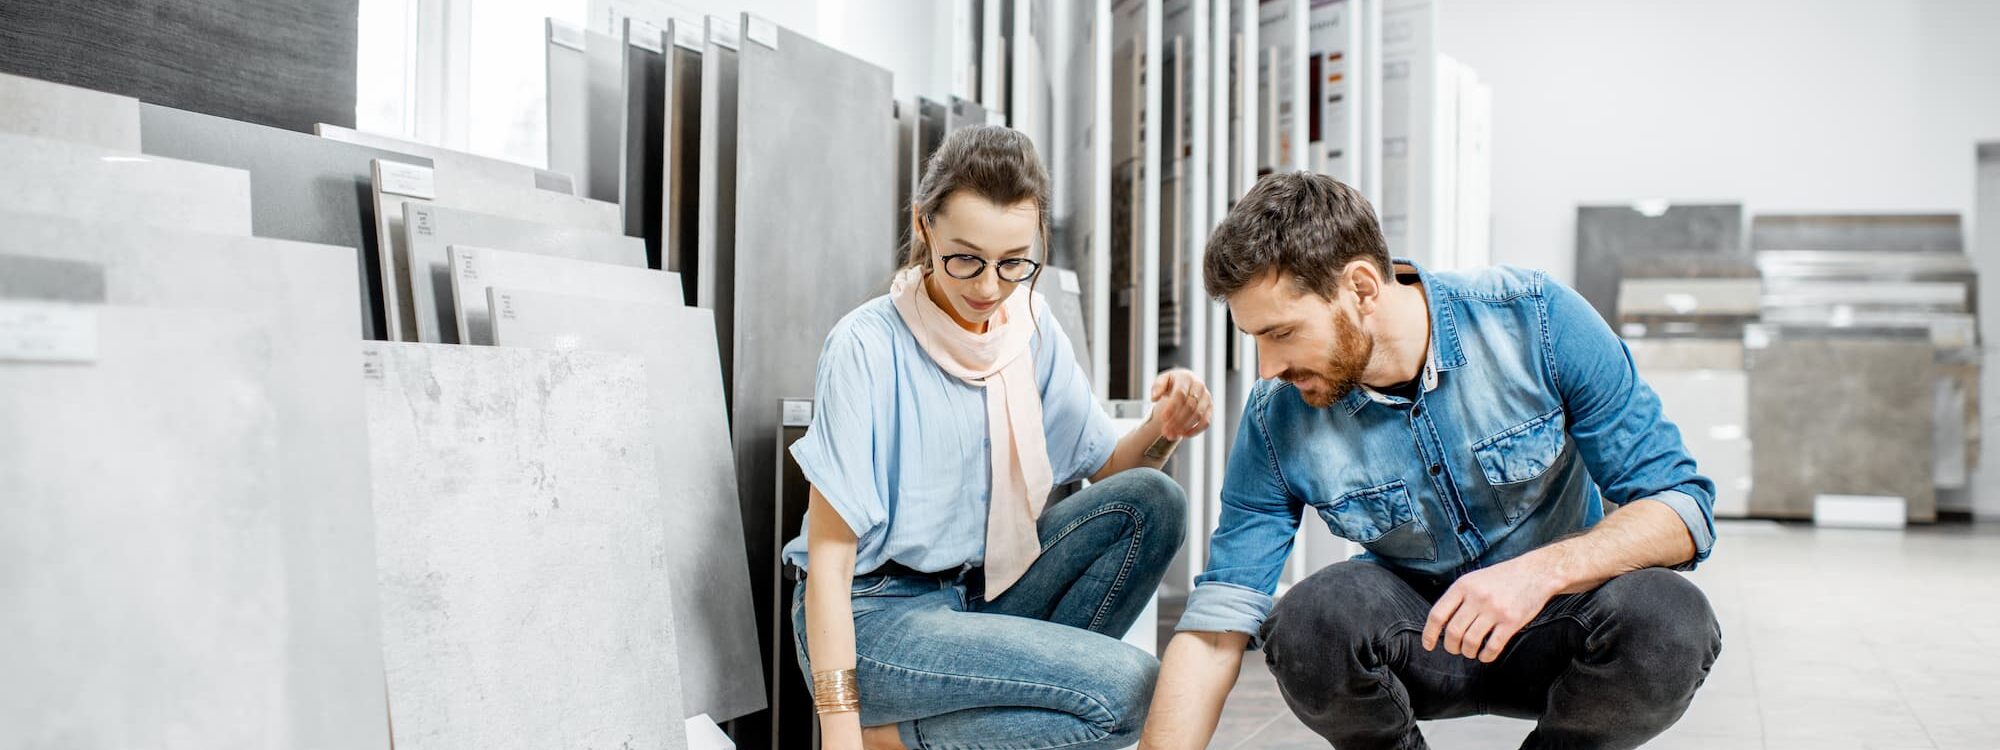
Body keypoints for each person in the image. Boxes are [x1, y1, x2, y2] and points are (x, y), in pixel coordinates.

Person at [1141, 172, 1723, 750]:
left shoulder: (1538, 322)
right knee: (1309, 623)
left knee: (1670, 620)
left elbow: (1681, 508)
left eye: (1283, 333)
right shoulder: (1277, 416)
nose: (1267, 368)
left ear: (1362, 288)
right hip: (1420, 637)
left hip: (1562, 626)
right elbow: (1218, 625)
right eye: (1255, 339)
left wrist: (1536, 574)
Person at [784, 125, 1214, 750]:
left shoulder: (1027, 328)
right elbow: (830, 561)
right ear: (924, 226)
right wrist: (841, 733)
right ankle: (888, 739)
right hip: (874, 618)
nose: (988, 287)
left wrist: (1163, 428)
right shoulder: (865, 345)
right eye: (965, 258)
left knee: (1154, 500)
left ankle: (979, 719)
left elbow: (1109, 471)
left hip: (978, 594)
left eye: (1013, 262)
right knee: (1130, 692)